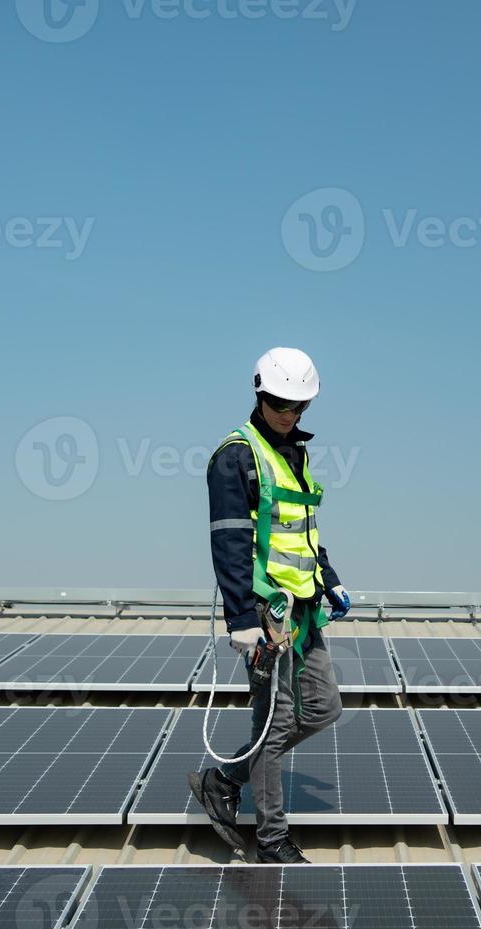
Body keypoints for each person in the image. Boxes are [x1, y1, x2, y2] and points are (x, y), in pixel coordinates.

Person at [188, 347, 351, 864]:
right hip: (265, 613)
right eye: (283, 404)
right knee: (274, 725)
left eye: (300, 407)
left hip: (302, 608)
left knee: (324, 706)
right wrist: (241, 619)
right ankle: (272, 841)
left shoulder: (293, 453)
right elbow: (230, 541)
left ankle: (223, 778)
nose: (291, 414)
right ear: (260, 395)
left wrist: (328, 578)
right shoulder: (236, 455)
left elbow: (302, 532)